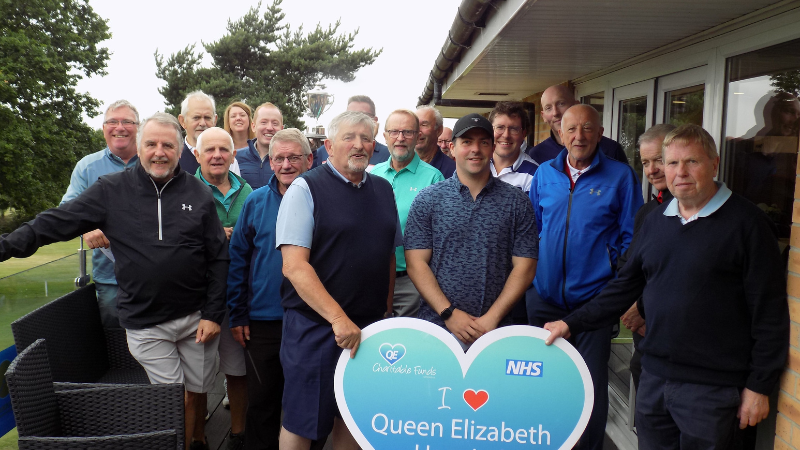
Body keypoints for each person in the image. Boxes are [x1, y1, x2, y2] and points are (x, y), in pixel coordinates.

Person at [544, 124, 789, 449]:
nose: (680, 172)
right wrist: (570, 323)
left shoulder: (748, 224)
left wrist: (759, 386)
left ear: (714, 164)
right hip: (655, 379)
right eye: (672, 163)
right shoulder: (657, 220)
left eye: (692, 162)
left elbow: (770, 314)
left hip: (714, 391)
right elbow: (622, 289)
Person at [0, 112, 228, 450]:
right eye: (151, 144)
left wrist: (212, 314)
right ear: (139, 146)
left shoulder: (198, 192)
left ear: (180, 151)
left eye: (168, 145)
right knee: (175, 398)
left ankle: (196, 438)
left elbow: (218, 256)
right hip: (146, 323)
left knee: (197, 391)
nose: (159, 152)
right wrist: (4, 247)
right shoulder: (111, 190)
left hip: (196, 319)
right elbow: (54, 222)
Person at [276, 111, 401, 450]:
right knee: (302, 422)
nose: (358, 145)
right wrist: (337, 318)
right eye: (349, 137)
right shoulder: (305, 189)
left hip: (368, 329)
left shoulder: (384, 189)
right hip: (316, 327)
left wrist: (386, 310)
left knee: (353, 418)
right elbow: (294, 267)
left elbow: (387, 255)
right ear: (329, 145)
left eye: (365, 138)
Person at [527, 104, 642, 450]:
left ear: (600, 132)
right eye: (572, 129)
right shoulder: (544, 174)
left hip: (593, 303)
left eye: (587, 129)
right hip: (544, 299)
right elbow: (533, 230)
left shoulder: (620, 176)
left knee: (590, 386)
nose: (579, 136)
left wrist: (614, 286)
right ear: (560, 133)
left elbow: (630, 239)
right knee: (541, 382)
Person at [405, 113, 538, 348]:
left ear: (492, 148)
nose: (475, 149)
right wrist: (449, 314)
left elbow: (525, 267)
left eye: (483, 142)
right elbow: (416, 263)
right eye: (467, 142)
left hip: (495, 332)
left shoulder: (517, 202)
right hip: (438, 329)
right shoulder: (428, 200)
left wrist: (492, 318)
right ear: (452, 148)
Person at [227, 128, 313, 450]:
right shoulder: (255, 201)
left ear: (309, 159)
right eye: (279, 158)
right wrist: (237, 314)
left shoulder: (322, 200)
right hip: (263, 320)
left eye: (294, 157)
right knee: (261, 402)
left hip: (310, 320)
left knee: (305, 402)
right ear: (271, 162)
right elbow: (238, 260)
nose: (287, 164)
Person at [193, 127, 253, 450]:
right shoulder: (185, 192)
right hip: (200, 300)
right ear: (197, 155)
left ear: (233, 155)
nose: (217, 155)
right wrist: (216, 234)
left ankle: (238, 434)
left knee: (237, 370)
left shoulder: (250, 192)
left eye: (223, 150)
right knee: (198, 375)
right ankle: (198, 437)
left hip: (240, 295)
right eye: (210, 150)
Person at [61, 99, 140, 328]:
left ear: (138, 126)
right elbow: (68, 209)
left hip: (153, 273)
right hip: (110, 277)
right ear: (104, 128)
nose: (120, 127)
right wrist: (87, 228)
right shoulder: (87, 167)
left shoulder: (152, 163)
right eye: (112, 122)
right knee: (114, 340)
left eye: (127, 121)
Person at [617, 123, 676, 393]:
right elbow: (630, 265)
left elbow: (678, 275)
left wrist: (641, 308)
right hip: (645, 341)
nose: (651, 170)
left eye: (660, 160)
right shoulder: (648, 212)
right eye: (645, 162)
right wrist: (629, 307)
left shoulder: (701, 216)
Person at [372, 109, 444, 318]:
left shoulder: (433, 178)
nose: (400, 138)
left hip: (411, 282)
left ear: (417, 136)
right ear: (384, 136)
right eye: (394, 132)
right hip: (375, 278)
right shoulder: (372, 174)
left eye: (407, 132)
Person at [528, 84, 627, 165]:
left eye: (561, 104)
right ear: (543, 116)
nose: (555, 113)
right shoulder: (537, 155)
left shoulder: (611, 149)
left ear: (576, 105)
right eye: (548, 108)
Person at [312, 95, 390, 168]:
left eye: (363, 115)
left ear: (375, 120)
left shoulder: (388, 154)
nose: (356, 119)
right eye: (351, 114)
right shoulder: (324, 151)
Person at [179, 90, 244, 176]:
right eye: (196, 118)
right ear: (183, 121)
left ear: (215, 120)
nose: (202, 123)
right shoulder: (175, 158)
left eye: (207, 118)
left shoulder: (227, 158)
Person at [489, 101, 539, 193]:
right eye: (500, 127)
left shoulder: (534, 175)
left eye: (514, 129)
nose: (506, 135)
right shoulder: (479, 164)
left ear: (523, 134)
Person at [236, 102, 283, 189]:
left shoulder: (287, 161)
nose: (269, 128)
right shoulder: (236, 158)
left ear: (281, 129)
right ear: (253, 126)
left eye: (275, 123)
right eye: (264, 122)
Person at [415, 106, 456, 178]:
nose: (418, 131)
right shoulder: (399, 166)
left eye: (424, 125)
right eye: (415, 125)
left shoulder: (453, 172)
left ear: (439, 130)